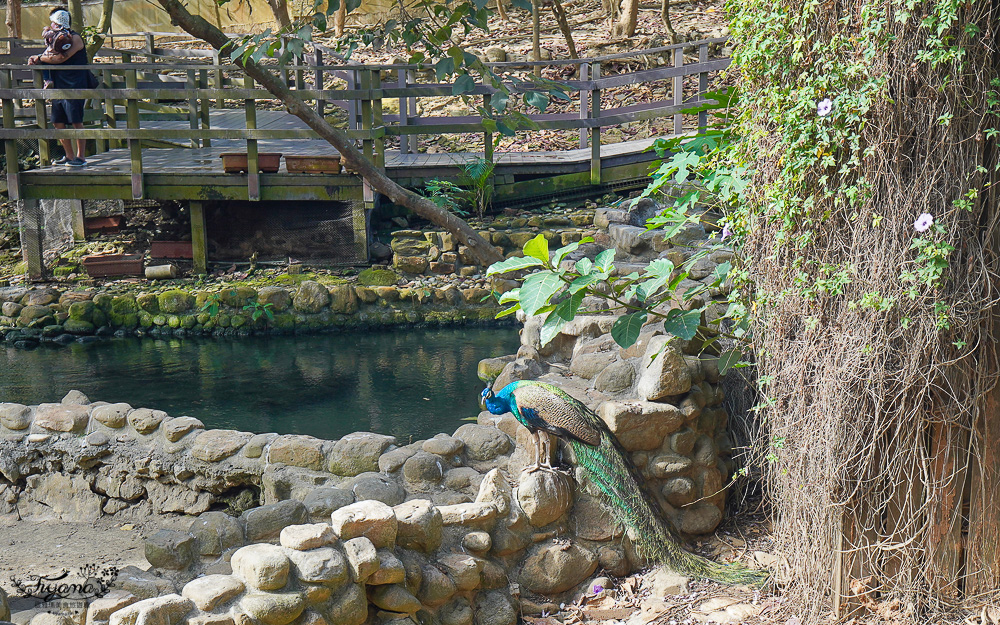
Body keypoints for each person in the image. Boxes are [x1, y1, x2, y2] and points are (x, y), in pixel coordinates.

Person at [27, 8, 89, 167]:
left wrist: (41, 57)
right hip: (59, 85)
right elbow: (49, 55)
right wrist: (38, 59)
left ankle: (81, 157)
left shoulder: (75, 39)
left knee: (76, 121)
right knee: (57, 121)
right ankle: (69, 155)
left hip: (75, 84)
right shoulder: (54, 39)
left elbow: (60, 58)